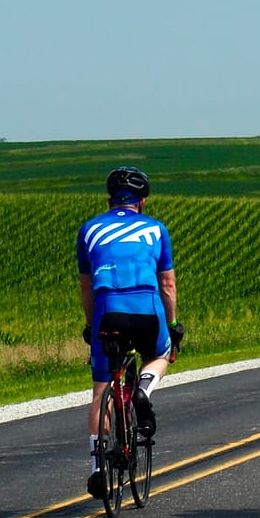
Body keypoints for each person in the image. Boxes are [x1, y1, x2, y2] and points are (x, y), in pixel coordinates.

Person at [78, 166, 181, 499]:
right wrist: (173, 323)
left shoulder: (89, 230)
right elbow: (167, 283)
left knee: (100, 391)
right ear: (143, 201)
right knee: (161, 354)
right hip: (146, 306)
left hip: (108, 307)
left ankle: (97, 470)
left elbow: (86, 287)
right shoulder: (155, 229)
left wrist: (92, 326)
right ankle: (144, 391)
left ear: (110, 200)